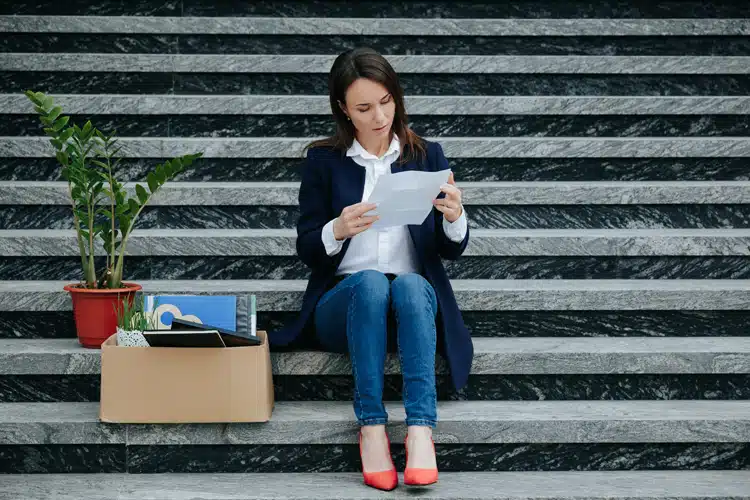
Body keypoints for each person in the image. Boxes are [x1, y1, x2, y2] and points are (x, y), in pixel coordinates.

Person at [269, 47, 473, 491]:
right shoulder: (324, 162)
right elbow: (307, 247)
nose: (379, 116)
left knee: (412, 285)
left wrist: (455, 216)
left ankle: (421, 430)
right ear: (344, 109)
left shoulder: (427, 155)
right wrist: (336, 230)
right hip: (345, 306)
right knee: (370, 283)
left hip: (409, 309)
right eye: (364, 107)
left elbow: (448, 249)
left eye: (385, 102)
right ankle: (372, 427)